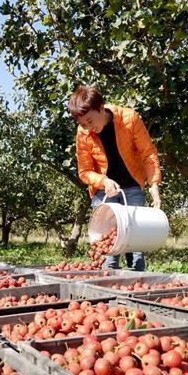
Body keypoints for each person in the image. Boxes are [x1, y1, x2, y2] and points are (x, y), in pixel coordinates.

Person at [69, 86, 162, 271]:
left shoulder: (129, 118)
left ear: (101, 107)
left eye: (89, 121)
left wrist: (153, 183)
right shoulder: (83, 133)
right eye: (83, 124)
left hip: (132, 187)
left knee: (136, 244)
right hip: (104, 192)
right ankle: (109, 291)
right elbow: (84, 171)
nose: (88, 127)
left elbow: (148, 153)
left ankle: (137, 289)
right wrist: (103, 181)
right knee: (108, 246)